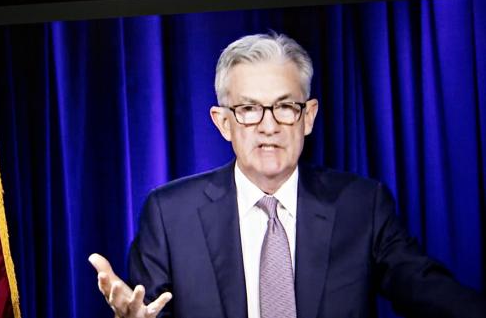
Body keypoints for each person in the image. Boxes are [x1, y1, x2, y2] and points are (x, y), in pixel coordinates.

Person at [89, 33, 486, 318]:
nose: (268, 126)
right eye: (248, 109)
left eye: (284, 107)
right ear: (223, 123)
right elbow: (147, 310)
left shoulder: (361, 206)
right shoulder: (169, 214)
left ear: (308, 116)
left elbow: (426, 289)